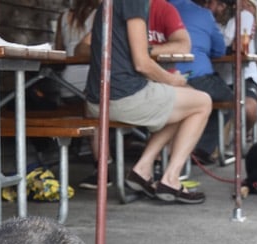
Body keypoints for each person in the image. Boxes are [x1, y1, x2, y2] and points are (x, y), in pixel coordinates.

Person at [84, 0, 212, 204]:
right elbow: (142, 63)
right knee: (202, 102)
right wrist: (172, 79)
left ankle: (142, 170)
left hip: (96, 99)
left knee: (181, 101)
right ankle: (171, 179)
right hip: (121, 97)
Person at [170, 0, 234, 165]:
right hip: (196, 76)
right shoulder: (203, 14)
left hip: (160, 77)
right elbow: (219, 50)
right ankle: (201, 149)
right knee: (228, 99)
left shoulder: (152, 9)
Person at [54, 0, 103, 190]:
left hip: (66, 85)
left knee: (91, 112)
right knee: (97, 112)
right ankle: (103, 164)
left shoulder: (63, 17)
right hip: (92, 83)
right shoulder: (103, 13)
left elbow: (58, 50)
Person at [208, 0, 257, 142]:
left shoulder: (244, 16)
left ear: (224, 5)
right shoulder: (207, 18)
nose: (208, 7)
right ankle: (217, 142)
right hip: (217, 77)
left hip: (244, 76)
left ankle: (242, 134)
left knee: (249, 109)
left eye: (212, 3)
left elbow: (234, 45)